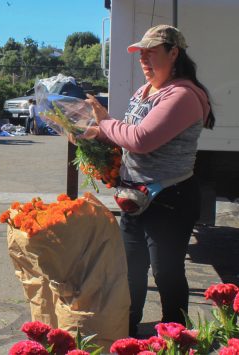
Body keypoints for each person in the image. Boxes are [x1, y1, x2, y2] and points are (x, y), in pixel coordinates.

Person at [79, 25, 215, 337]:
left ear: (174, 53)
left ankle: (176, 336)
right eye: (141, 53)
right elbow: (124, 135)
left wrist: (105, 123)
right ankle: (127, 332)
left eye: (151, 51)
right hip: (134, 195)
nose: (144, 58)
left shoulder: (183, 95)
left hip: (170, 198)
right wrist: (97, 132)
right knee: (130, 272)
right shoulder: (144, 91)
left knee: (166, 273)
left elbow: (141, 139)